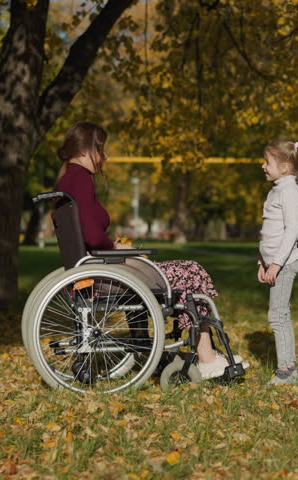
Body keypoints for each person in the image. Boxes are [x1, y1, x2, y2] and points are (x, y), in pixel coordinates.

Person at [54, 122, 247, 379]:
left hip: (94, 270)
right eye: (100, 150)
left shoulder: (68, 180)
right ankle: (206, 357)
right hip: (103, 273)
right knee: (191, 271)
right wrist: (116, 247)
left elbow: (87, 234)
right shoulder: (81, 180)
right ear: (86, 150)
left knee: (182, 271)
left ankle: (200, 353)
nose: (104, 157)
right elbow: (91, 235)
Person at [257, 139, 298, 385]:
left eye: (267, 162)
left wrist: (276, 265)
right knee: (281, 315)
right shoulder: (277, 189)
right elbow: (268, 233)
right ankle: (289, 368)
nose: (262, 166)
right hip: (273, 265)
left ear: (284, 167)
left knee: (277, 316)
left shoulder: (289, 191)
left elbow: (292, 233)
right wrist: (261, 262)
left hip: (284, 264)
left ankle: (286, 372)